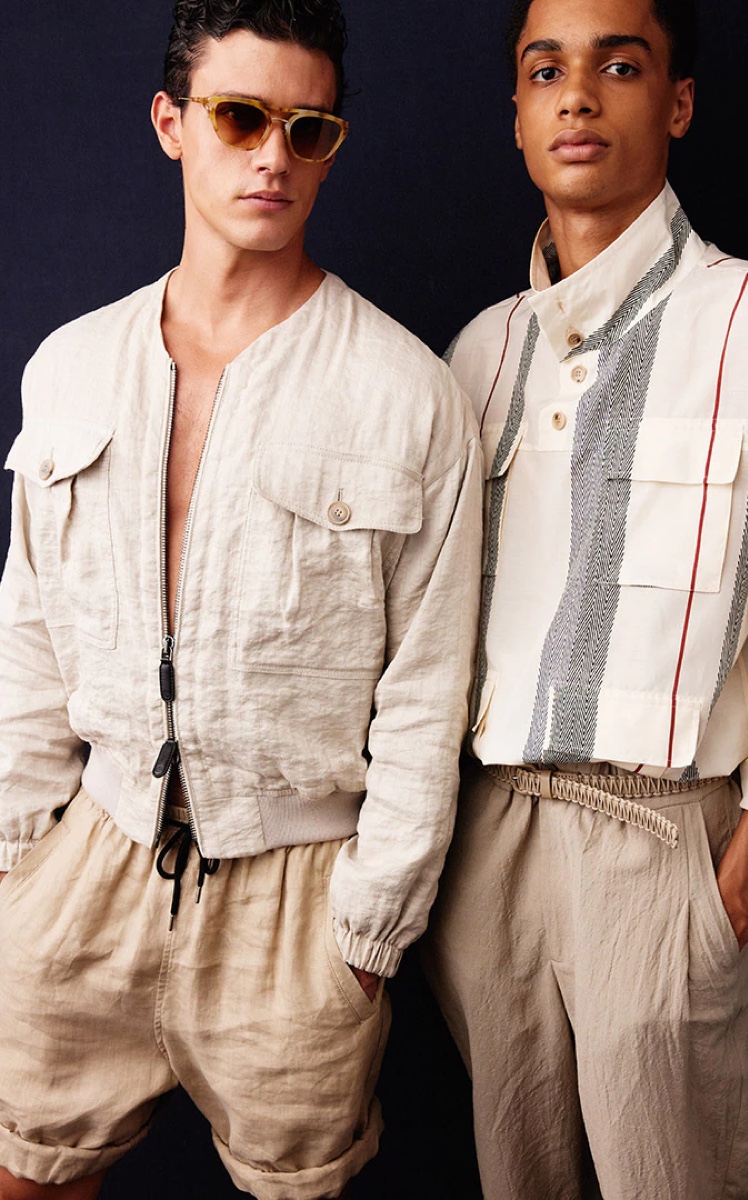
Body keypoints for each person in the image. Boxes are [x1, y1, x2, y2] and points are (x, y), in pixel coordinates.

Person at [0, 2, 481, 1197]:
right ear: (173, 123)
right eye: (239, 116)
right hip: (84, 867)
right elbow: (28, 632)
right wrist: (13, 867)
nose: (271, 155)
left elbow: (428, 686)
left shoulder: (406, 393)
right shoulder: (70, 363)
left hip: (296, 900)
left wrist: (365, 938)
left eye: (306, 129)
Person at [424, 0, 748, 1197]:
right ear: (519, 115)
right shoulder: (474, 356)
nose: (577, 94)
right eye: (546, 70)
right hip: (487, 851)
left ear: (675, 102)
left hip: (666, 846)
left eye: (618, 64)